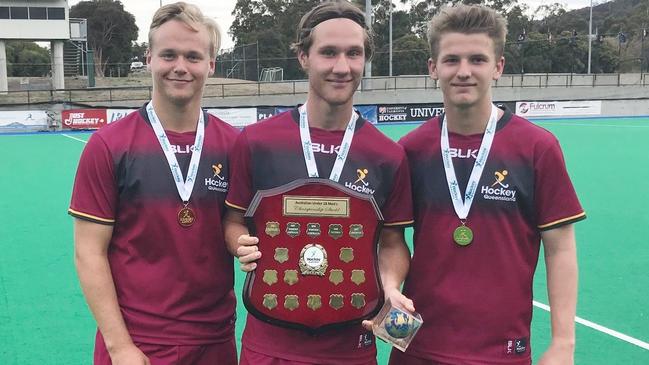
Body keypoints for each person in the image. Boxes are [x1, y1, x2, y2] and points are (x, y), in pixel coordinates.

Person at [393, 4, 586, 365]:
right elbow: (390, 241)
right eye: (451, 60)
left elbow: (560, 249)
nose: (463, 72)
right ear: (433, 68)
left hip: (502, 352)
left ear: (498, 67)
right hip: (418, 349)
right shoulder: (411, 150)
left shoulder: (537, 148)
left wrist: (564, 343)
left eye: (477, 60)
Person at [223, 1, 414, 364]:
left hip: (352, 346)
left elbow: (392, 242)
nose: (342, 67)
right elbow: (233, 221)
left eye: (353, 54)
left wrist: (390, 287)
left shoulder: (388, 155)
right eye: (328, 52)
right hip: (269, 345)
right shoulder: (256, 142)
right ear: (303, 57)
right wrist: (240, 245)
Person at [68, 2, 238, 364]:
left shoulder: (234, 146)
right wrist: (120, 346)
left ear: (210, 65)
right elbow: (89, 253)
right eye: (168, 55)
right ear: (149, 59)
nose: (180, 67)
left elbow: (237, 226)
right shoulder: (109, 145)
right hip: (137, 342)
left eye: (193, 56)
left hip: (216, 340)